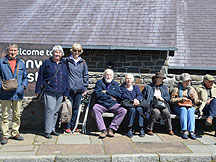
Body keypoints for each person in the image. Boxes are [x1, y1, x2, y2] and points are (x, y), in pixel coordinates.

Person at [35, 45, 69, 139]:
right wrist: (38, 90)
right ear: (52, 53)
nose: (57, 54)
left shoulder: (63, 65)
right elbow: (40, 77)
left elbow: (66, 79)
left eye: (59, 52)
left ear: (62, 54)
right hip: (49, 91)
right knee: (50, 110)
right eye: (55, 52)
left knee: (56, 111)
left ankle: (53, 129)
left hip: (60, 92)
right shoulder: (46, 63)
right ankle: (47, 131)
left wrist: (66, 92)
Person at [0, 43, 28, 145]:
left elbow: (25, 77)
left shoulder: (21, 63)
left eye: (14, 51)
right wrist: (1, 86)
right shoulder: (1, 62)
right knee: (5, 115)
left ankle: (15, 132)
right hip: (5, 93)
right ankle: (5, 135)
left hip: (18, 93)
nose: (13, 52)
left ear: (17, 51)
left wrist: (23, 87)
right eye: (11, 50)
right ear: (8, 51)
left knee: (16, 115)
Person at [92, 69, 127, 138]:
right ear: (104, 75)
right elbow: (98, 94)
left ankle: (111, 128)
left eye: (110, 75)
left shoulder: (115, 84)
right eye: (107, 75)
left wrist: (107, 91)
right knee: (95, 108)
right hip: (102, 104)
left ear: (113, 76)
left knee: (123, 110)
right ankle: (103, 130)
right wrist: (110, 97)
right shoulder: (99, 83)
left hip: (113, 104)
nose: (109, 76)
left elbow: (119, 95)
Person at [64, 43, 89, 133]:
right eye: (75, 50)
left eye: (78, 51)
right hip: (69, 89)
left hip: (79, 89)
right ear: (72, 50)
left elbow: (85, 75)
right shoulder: (66, 61)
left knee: (76, 108)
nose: (76, 52)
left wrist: (85, 88)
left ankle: (74, 126)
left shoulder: (83, 62)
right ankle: (67, 126)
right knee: (68, 108)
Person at [142, 72, 174, 136]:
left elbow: (168, 97)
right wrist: (153, 99)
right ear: (155, 78)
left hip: (162, 104)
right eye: (160, 78)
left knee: (166, 112)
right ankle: (149, 129)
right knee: (156, 112)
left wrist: (163, 98)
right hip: (153, 105)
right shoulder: (148, 87)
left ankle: (170, 129)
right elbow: (144, 97)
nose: (161, 80)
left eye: (162, 79)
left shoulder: (164, 87)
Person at [170, 73, 199, 139]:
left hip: (189, 106)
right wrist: (181, 99)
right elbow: (171, 100)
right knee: (183, 109)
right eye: (186, 81)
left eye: (189, 81)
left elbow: (197, 102)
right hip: (179, 107)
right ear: (181, 81)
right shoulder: (176, 89)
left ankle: (191, 131)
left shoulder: (191, 89)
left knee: (190, 110)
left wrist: (194, 98)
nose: (187, 83)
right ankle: (184, 131)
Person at [120, 74, 145, 138]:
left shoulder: (136, 87)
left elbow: (140, 94)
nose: (128, 80)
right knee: (132, 110)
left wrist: (137, 99)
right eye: (127, 78)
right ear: (125, 80)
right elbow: (124, 96)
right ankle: (129, 128)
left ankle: (141, 128)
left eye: (130, 78)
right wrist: (133, 100)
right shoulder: (122, 88)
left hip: (137, 103)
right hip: (128, 105)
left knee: (140, 109)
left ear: (133, 80)